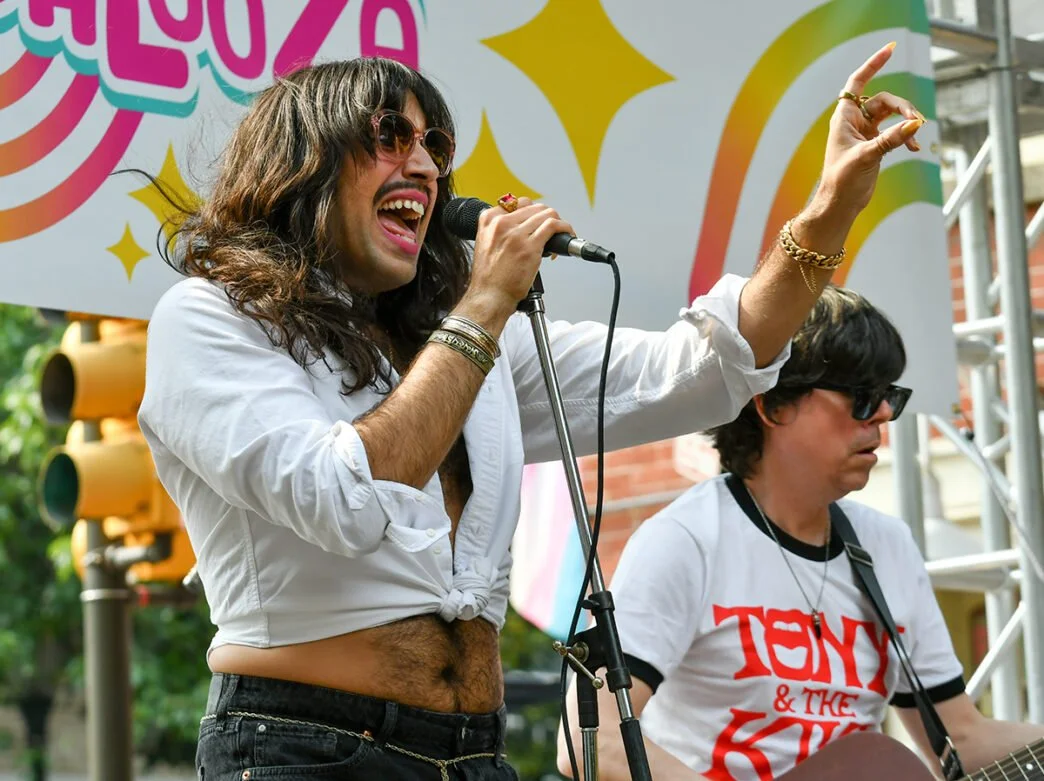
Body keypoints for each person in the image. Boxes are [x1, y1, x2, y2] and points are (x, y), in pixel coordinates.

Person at [138, 45, 925, 779]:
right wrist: (484, 301)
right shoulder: (211, 321)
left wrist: (830, 207)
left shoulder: (469, 346)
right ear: (303, 162)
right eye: (389, 136)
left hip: (475, 751)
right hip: (303, 746)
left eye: (435, 146)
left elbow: (701, 372)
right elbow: (343, 497)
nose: (424, 165)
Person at [557, 286, 1044, 781]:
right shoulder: (686, 540)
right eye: (860, 397)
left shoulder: (887, 546)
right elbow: (590, 741)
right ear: (773, 405)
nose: (882, 413)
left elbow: (962, 739)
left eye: (888, 396)